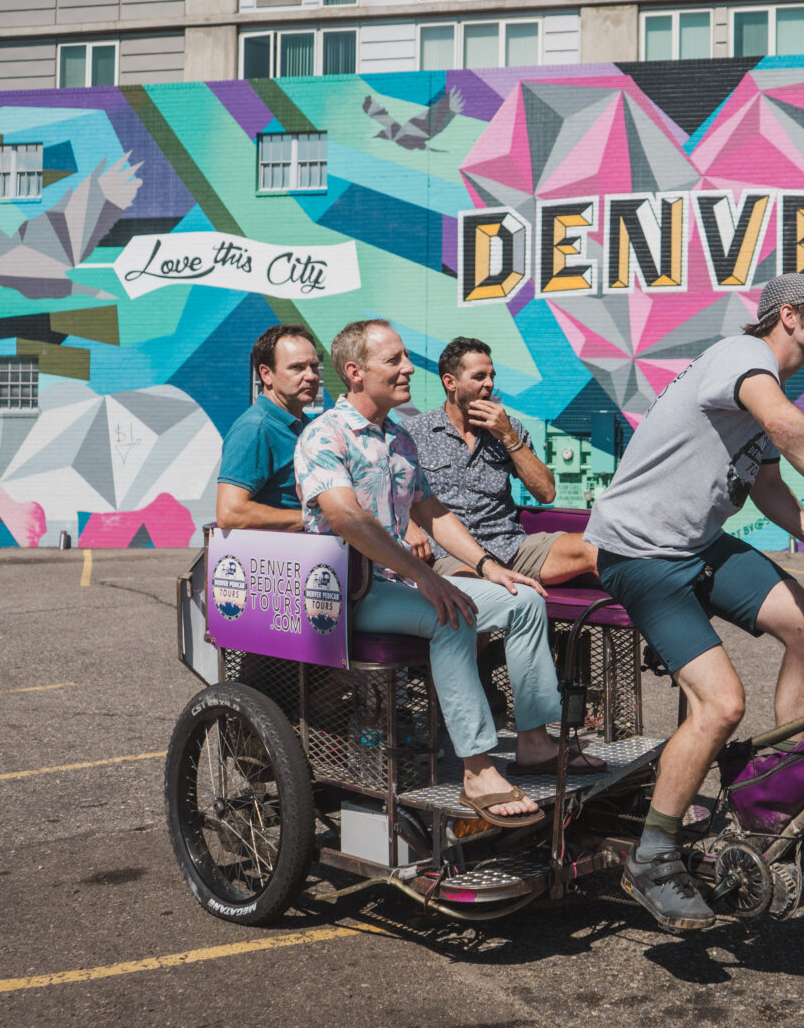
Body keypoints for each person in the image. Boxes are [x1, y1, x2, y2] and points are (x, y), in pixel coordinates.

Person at [584, 273, 804, 929]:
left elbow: (766, 482)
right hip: (641, 555)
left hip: (698, 545)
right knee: (722, 704)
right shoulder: (743, 360)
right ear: (789, 315)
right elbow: (780, 420)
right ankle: (653, 857)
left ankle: (775, 791)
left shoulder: (762, 390)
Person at [294, 319, 605, 828]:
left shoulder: (397, 438)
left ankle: (533, 743)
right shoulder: (324, 435)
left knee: (525, 601)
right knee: (452, 615)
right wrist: (427, 575)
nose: (407, 367)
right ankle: (478, 768)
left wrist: (490, 569)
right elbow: (347, 518)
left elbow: (432, 512)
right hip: (352, 590)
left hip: (400, 581)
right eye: (392, 359)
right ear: (355, 372)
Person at [403, 336, 599, 584]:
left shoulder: (509, 428)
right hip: (449, 555)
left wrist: (508, 436)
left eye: (492, 376)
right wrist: (408, 525)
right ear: (450, 382)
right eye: (479, 377)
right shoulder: (413, 432)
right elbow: (385, 492)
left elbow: (547, 493)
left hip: (509, 547)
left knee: (596, 550)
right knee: (479, 588)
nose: (490, 384)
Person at [216, 325, 324, 530]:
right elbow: (230, 512)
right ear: (266, 374)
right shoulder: (255, 429)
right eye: (297, 368)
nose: (311, 376)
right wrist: (315, 519)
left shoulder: (308, 426)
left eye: (314, 367)